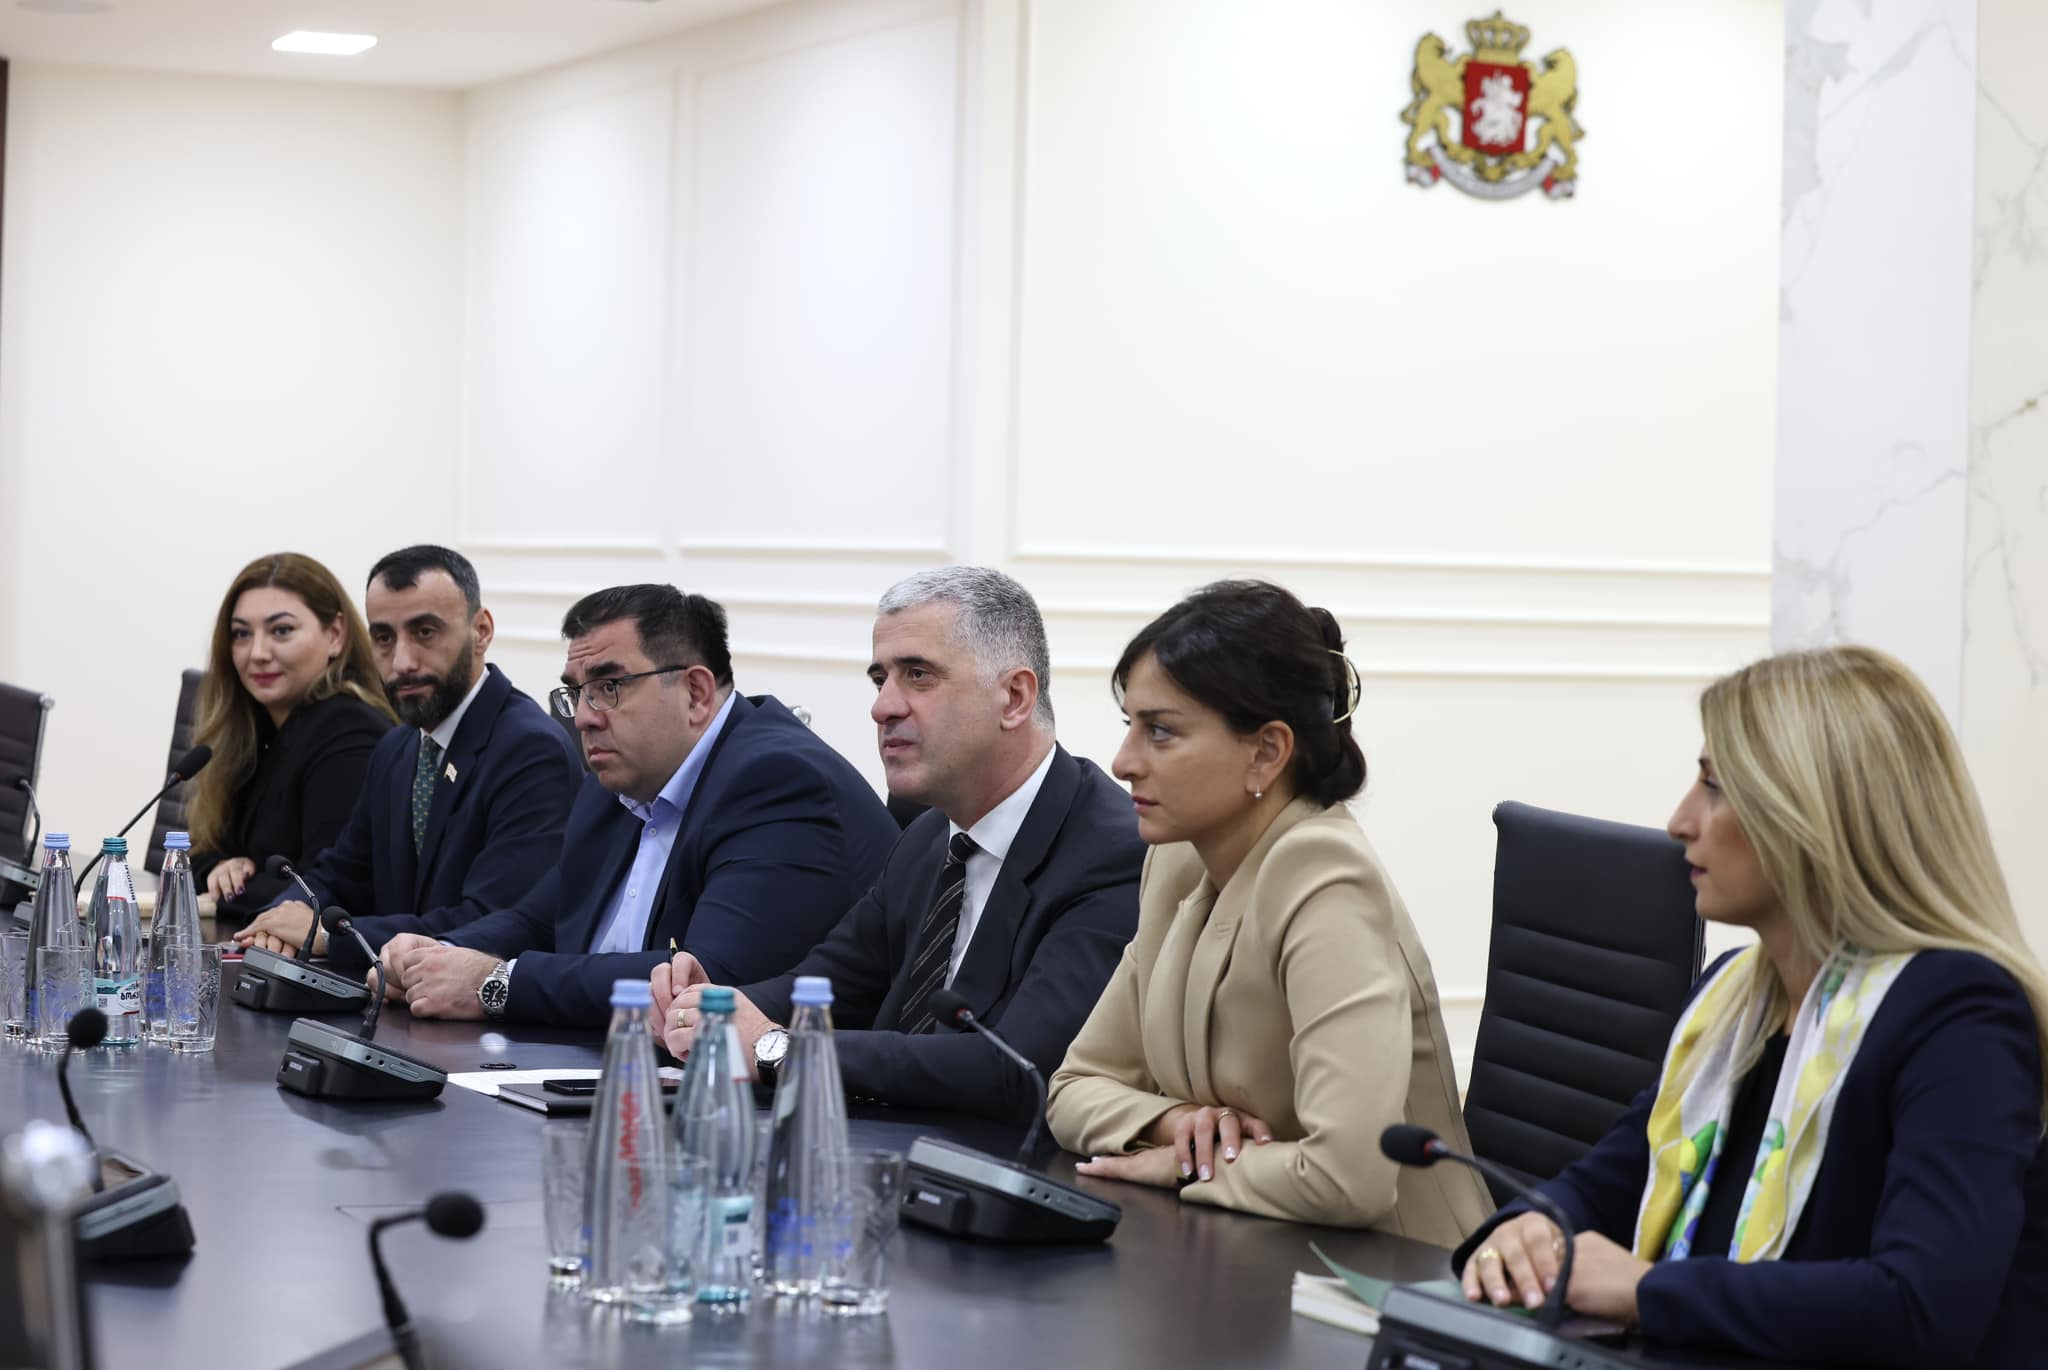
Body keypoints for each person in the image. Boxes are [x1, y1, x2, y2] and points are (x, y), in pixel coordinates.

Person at [1453, 646, 2048, 1369]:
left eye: (1714, 786)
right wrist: (1529, 1228)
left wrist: (1646, 1291)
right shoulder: (1734, 997)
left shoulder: (1960, 1019)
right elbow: (1609, 1179)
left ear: (1814, 815)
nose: (1679, 821)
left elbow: (1920, 1308)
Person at [1044, 581, 1489, 1241]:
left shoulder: (1326, 876)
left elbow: (1349, 1178)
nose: (1123, 762)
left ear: (1267, 752)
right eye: (1129, 726)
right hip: (1249, 1248)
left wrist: (1184, 1167)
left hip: (1392, 1270)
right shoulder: (1177, 858)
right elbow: (1075, 1087)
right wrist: (1174, 1124)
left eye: (1160, 731)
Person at [653, 566, 1142, 1125]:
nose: (883, 707)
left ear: (1014, 697)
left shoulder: (1112, 852)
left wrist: (780, 1049)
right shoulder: (929, 835)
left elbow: (1018, 1069)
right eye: (880, 679)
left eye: (918, 675)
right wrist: (710, 1008)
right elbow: (826, 987)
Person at [376, 584, 899, 1027]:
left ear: (696, 692)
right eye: (577, 692)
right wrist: (435, 955)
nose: (584, 718)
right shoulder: (616, 782)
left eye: (609, 687)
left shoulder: (777, 780)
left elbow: (709, 978)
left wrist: (496, 983)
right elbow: (538, 921)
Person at [231, 546, 580, 961]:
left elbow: (495, 921)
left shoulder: (530, 749)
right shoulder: (397, 747)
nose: (402, 661)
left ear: (481, 631)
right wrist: (277, 917)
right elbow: (339, 875)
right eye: (383, 638)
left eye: (425, 632)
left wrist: (328, 935)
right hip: (394, 989)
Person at [188, 552, 395, 928]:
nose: (258, 653)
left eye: (281, 630)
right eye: (242, 634)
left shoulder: (349, 731)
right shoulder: (256, 727)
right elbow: (198, 850)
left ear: (335, 635)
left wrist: (231, 889)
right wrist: (219, 869)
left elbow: (325, 892)